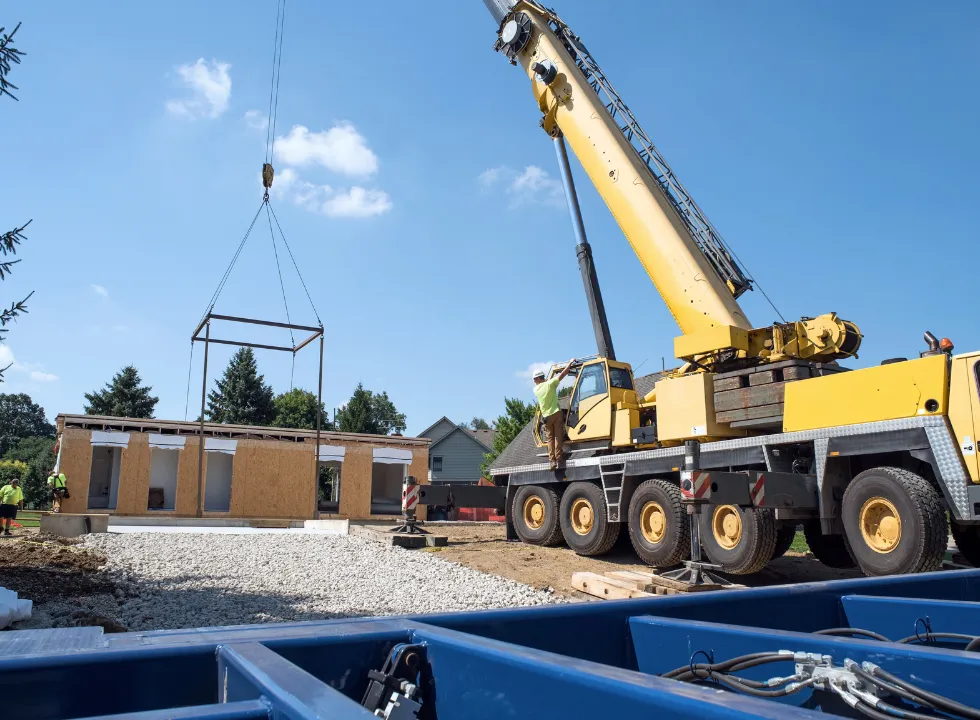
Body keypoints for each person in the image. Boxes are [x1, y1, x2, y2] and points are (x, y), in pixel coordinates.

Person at [533, 358, 576, 470]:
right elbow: (563, 374)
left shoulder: (536, 389)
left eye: (534, 379)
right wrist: (570, 363)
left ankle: (552, 461)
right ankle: (559, 459)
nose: (534, 381)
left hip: (546, 417)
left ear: (537, 379)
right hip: (556, 414)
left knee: (550, 439)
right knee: (558, 437)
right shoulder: (550, 384)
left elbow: (544, 383)